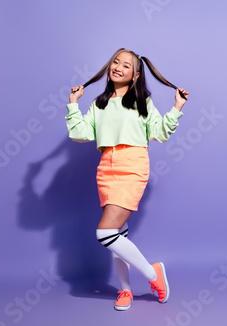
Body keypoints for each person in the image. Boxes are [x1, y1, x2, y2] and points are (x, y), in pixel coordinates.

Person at [65, 48, 189, 311]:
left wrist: (177, 107)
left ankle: (153, 274)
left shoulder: (143, 102)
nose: (118, 67)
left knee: (105, 233)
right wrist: (73, 103)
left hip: (133, 165)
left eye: (126, 65)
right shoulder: (99, 103)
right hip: (106, 166)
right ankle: (125, 290)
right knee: (118, 235)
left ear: (135, 74)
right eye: (115, 62)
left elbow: (161, 132)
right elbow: (79, 133)